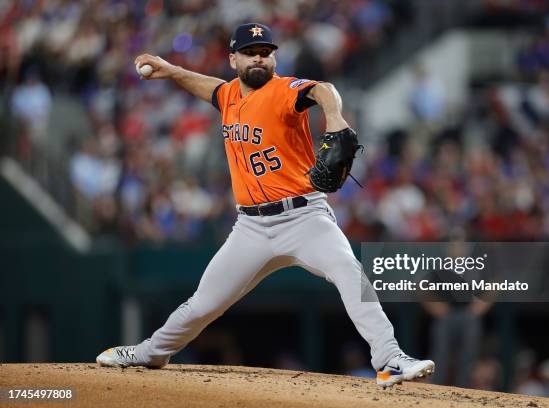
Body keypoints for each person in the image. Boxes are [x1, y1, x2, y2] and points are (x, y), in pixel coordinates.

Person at [96, 22, 434, 387]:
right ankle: (150, 353)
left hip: (305, 217)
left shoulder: (284, 90)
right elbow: (212, 89)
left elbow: (323, 89)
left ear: (274, 57)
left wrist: (334, 117)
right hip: (251, 228)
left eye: (265, 52)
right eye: (250, 53)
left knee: (350, 273)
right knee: (203, 304)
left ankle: (390, 358)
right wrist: (174, 71)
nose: (259, 58)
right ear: (233, 59)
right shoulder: (229, 96)